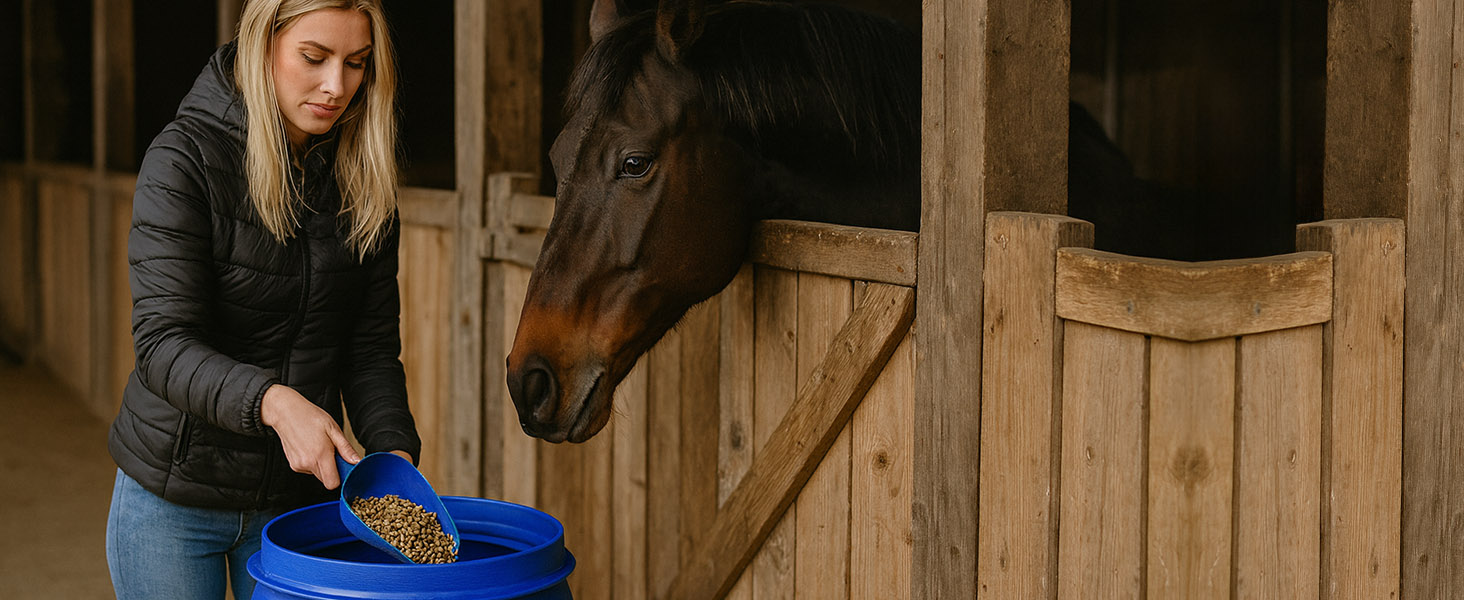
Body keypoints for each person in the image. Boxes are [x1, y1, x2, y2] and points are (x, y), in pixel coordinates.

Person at [105, 1, 419, 598]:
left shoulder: (363, 180)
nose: (336, 86)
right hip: (175, 498)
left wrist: (392, 453)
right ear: (263, 43)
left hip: (295, 505)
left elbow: (370, 348)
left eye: (357, 64)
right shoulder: (184, 160)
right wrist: (275, 404)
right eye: (313, 57)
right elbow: (163, 345)